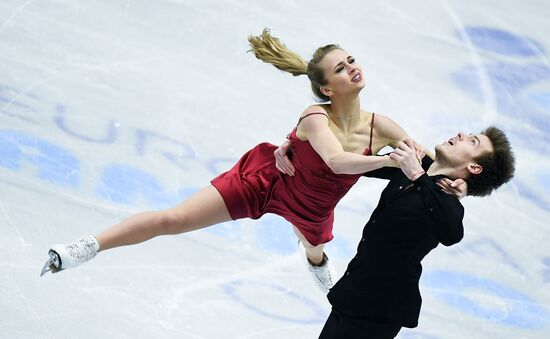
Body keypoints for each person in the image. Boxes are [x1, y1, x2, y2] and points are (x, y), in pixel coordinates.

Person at [40, 29, 462, 295]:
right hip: (265, 182)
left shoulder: (381, 126)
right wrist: (388, 162)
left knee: (315, 249)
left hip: (314, 207)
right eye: (340, 67)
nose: (351, 67)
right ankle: (88, 246)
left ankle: (313, 259)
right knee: (174, 219)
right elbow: (334, 161)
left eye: (350, 60)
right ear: (326, 88)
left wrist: (456, 178)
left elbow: (428, 161)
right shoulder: (315, 117)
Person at [307, 127, 515, 338]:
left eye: (472, 142)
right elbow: (355, 161)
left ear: (474, 167)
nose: (462, 134)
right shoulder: (414, 168)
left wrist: (417, 174)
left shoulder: (446, 201)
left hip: (378, 307)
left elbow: (452, 233)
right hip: (356, 291)